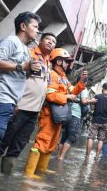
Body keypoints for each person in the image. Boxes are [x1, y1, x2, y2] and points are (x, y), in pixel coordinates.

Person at [0, 11, 41, 191]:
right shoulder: (11, 41)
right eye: (35, 27)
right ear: (23, 26)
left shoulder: (26, 49)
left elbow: (20, 73)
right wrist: (22, 66)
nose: (37, 31)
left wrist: (29, 69)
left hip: (8, 102)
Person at [0, 32, 57, 175]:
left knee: (18, 145)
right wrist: (16, 102)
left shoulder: (48, 63)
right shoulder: (30, 54)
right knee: (4, 140)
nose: (51, 42)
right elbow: (17, 76)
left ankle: (5, 180)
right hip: (21, 106)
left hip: (34, 111)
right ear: (40, 41)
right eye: (48, 39)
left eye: (53, 41)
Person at [24, 48, 87, 179]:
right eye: (66, 61)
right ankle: (29, 173)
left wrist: (81, 82)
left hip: (58, 116)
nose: (68, 64)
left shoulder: (63, 78)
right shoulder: (52, 75)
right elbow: (50, 95)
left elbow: (73, 91)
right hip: (49, 114)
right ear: (59, 61)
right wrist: (67, 98)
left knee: (52, 143)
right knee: (42, 141)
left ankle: (41, 170)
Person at [57, 77, 96, 160]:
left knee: (64, 136)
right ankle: (61, 157)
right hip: (75, 114)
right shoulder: (83, 89)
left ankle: (58, 156)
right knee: (72, 137)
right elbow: (84, 101)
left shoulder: (72, 87)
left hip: (66, 112)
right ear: (84, 82)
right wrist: (91, 101)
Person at [85, 83, 107, 160]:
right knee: (101, 139)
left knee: (91, 137)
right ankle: (97, 157)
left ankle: (87, 156)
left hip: (96, 120)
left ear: (103, 88)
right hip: (105, 122)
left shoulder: (97, 96)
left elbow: (92, 107)